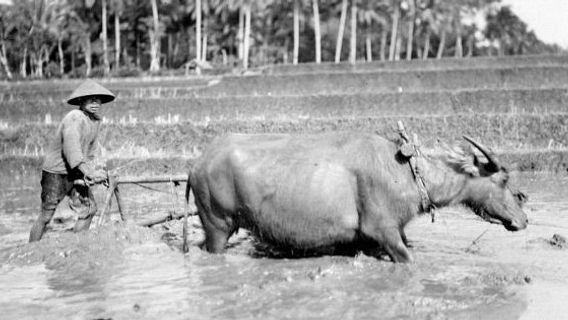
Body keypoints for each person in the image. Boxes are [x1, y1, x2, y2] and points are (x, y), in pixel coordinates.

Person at [29, 80, 115, 242]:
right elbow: (71, 148)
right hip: (56, 173)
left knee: (89, 210)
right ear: (81, 101)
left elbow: (92, 151)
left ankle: (76, 244)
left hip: (76, 171)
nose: (95, 103)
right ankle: (30, 249)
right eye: (91, 99)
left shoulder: (94, 121)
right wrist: (88, 172)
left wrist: (99, 170)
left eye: (98, 99)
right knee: (46, 215)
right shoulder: (74, 117)